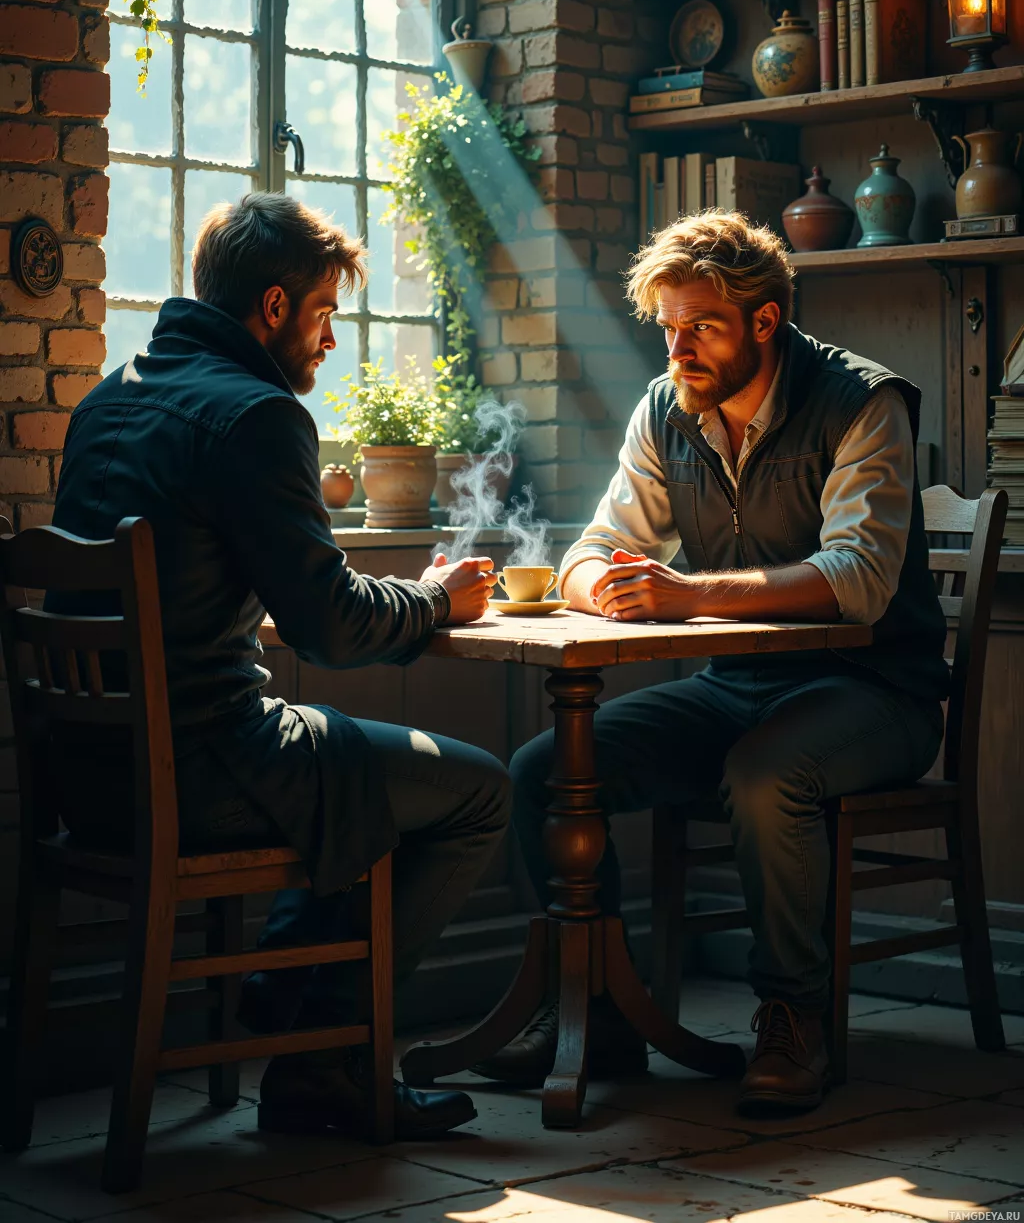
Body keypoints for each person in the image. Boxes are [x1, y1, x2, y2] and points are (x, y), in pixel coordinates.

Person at [50, 192, 510, 1140]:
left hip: (83, 778)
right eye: (325, 313)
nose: (331, 339)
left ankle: (289, 1009)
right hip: (201, 769)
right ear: (270, 308)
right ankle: (325, 1062)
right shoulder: (256, 416)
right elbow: (331, 630)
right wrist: (437, 601)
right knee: (476, 792)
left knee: (350, 767)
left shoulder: (108, 398)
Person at [480, 209, 948, 1114]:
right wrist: (594, 582)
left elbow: (857, 581)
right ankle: (600, 1010)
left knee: (765, 773)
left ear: (765, 322)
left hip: (878, 691)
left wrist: (686, 594)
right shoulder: (668, 408)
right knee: (544, 771)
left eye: (702, 326)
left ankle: (793, 1019)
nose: (678, 347)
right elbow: (599, 545)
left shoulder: (863, 403)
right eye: (667, 326)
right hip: (735, 685)